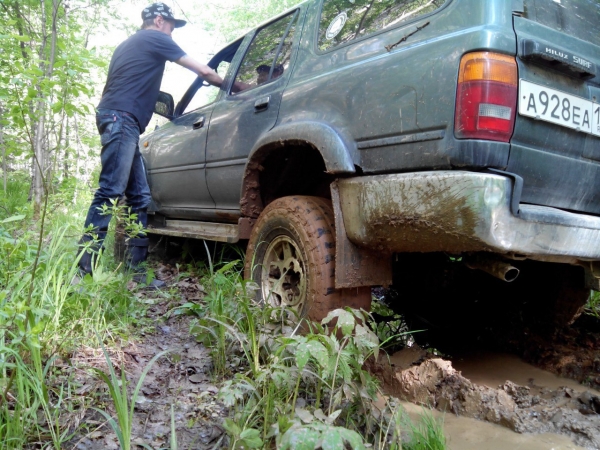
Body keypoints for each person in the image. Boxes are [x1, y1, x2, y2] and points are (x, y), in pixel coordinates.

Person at [77, 3, 225, 287]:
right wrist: (233, 85)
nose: (172, 32)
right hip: (122, 119)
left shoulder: (128, 44)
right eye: (171, 26)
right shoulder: (155, 38)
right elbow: (203, 72)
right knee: (109, 191)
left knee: (139, 196)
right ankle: (82, 273)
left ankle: (136, 273)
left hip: (120, 120)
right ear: (159, 21)